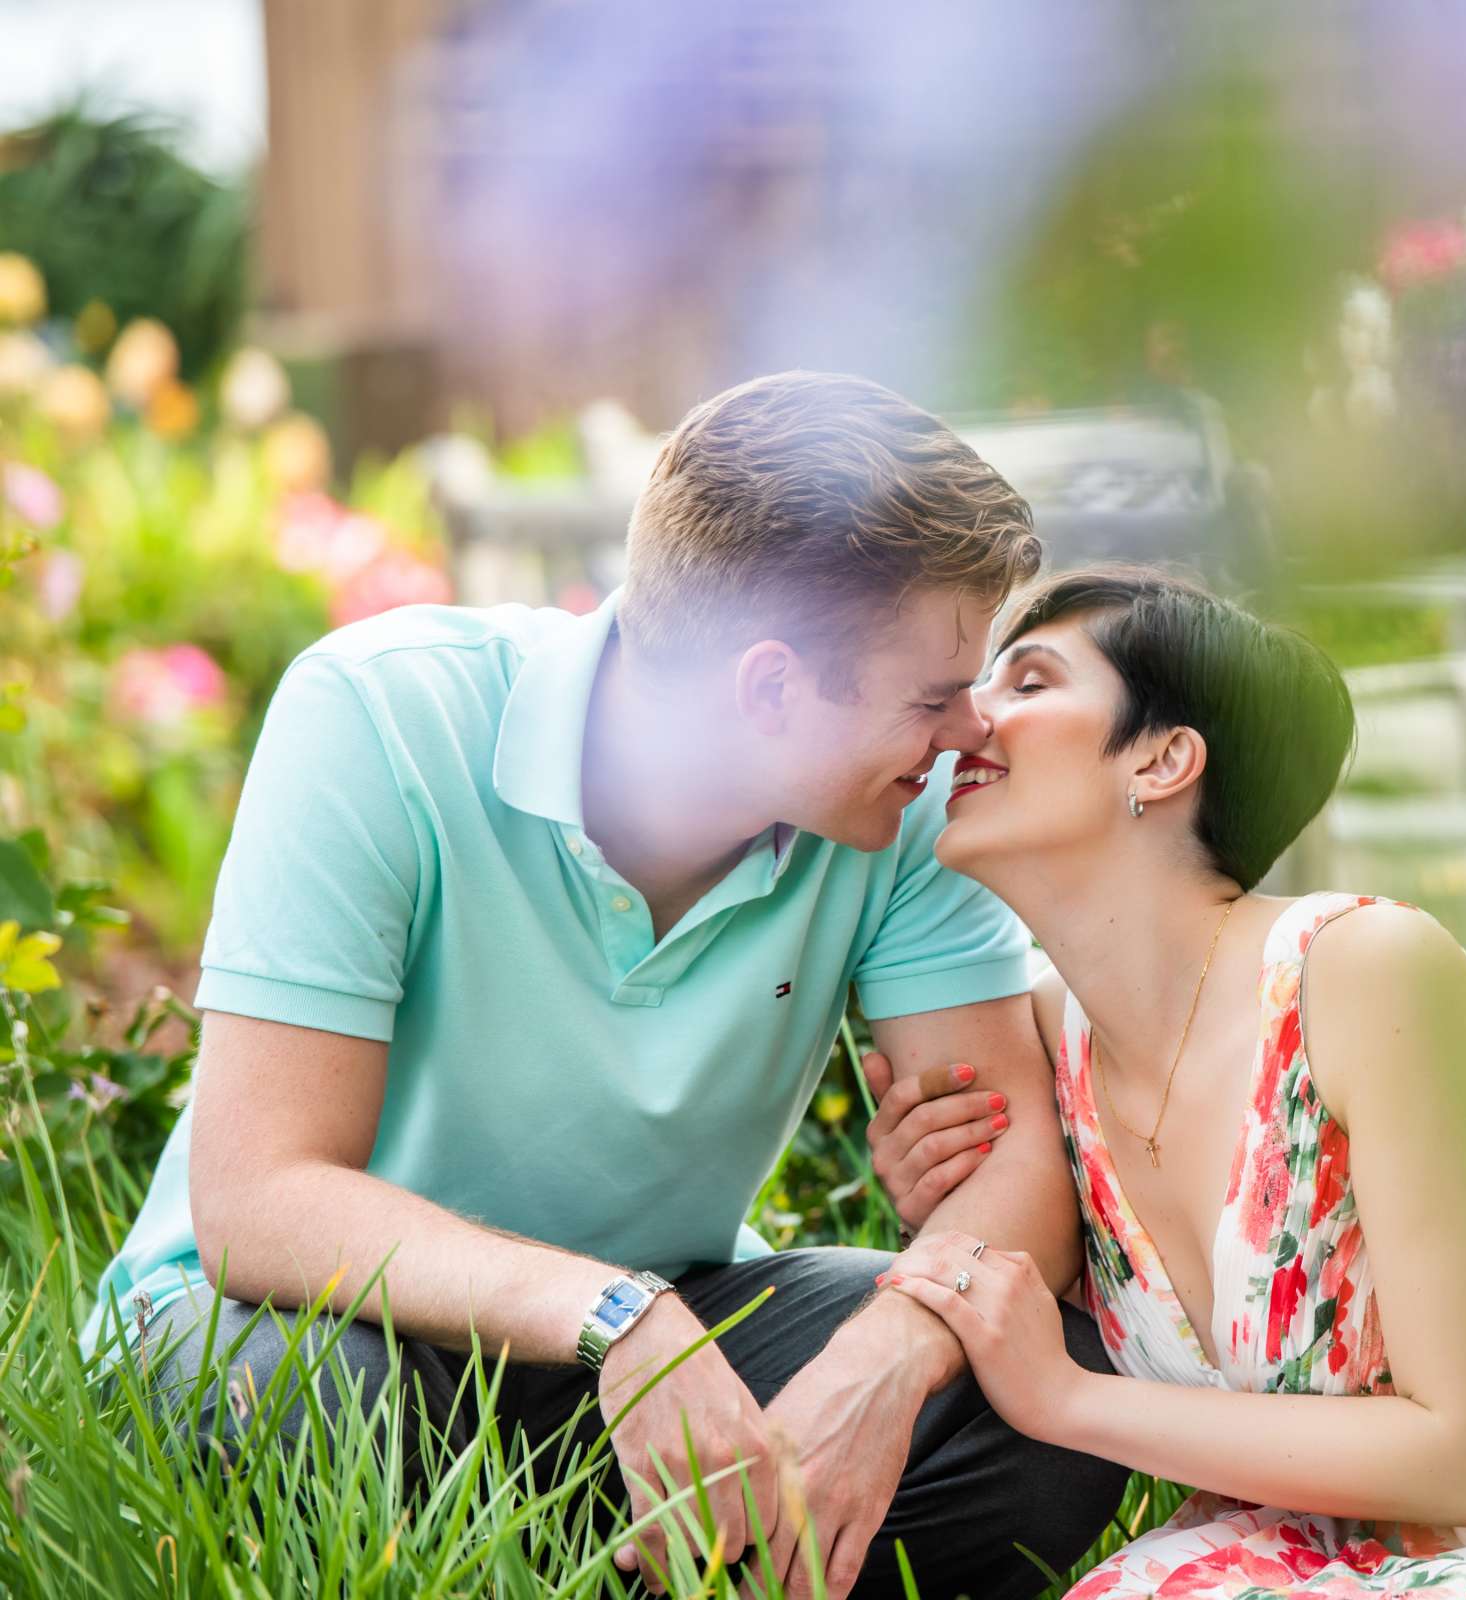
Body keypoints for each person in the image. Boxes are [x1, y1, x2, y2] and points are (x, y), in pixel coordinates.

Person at [82, 371, 1128, 1599]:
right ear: (771, 689)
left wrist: (886, 1360)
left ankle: (637, 1564)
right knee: (291, 1395)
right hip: (313, 1330)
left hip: (661, 1338)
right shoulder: (381, 711)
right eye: (933, 696)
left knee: (1038, 1385)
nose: (974, 731)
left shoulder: (909, 806)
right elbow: (260, 1201)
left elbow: (1013, 1176)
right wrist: (612, 1316)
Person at [866, 568, 1466, 1598]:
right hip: (1258, 1560)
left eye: (1028, 682)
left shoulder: (1366, 971)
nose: (970, 717)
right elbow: (1012, 1290)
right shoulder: (1042, 1046)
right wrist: (943, 1197)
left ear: (1162, 759)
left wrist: (1065, 1398)